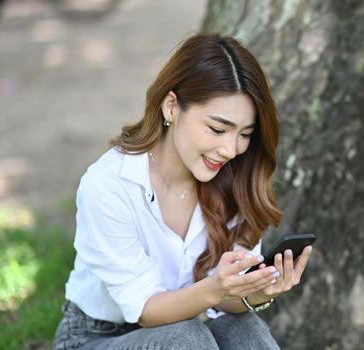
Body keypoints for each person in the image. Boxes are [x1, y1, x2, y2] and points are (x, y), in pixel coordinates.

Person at [53, 32, 313, 349]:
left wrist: (257, 292)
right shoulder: (109, 185)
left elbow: (226, 301)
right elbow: (145, 311)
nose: (231, 149)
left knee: (248, 332)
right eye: (217, 129)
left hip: (191, 330)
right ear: (172, 106)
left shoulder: (236, 178)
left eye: (245, 134)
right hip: (98, 337)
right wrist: (215, 289)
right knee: (187, 338)